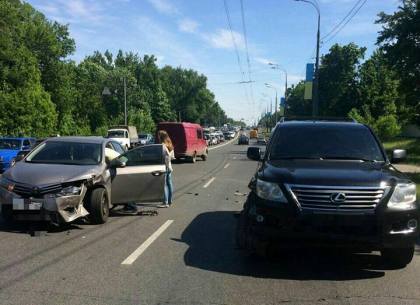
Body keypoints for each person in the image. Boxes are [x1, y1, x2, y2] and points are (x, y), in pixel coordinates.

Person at [158, 130, 174, 208]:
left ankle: (165, 202)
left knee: (163, 185)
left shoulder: (163, 145)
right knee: (169, 184)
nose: (157, 137)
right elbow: (172, 156)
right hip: (169, 166)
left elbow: (166, 156)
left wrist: (166, 166)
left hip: (165, 167)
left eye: (158, 135)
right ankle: (170, 201)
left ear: (161, 137)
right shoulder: (169, 144)